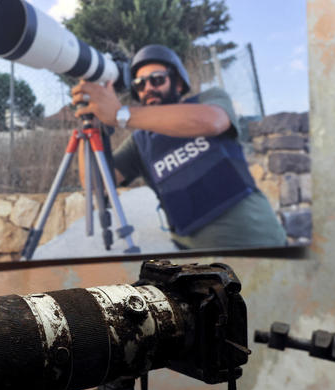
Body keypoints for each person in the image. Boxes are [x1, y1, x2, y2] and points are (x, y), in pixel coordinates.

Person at [71, 44, 286, 249]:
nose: (148, 89)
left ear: (179, 83)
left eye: (157, 80)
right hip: (190, 261)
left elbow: (213, 121)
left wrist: (121, 114)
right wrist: (92, 126)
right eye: (140, 84)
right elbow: (94, 182)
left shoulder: (210, 99)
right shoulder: (139, 141)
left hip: (257, 242)